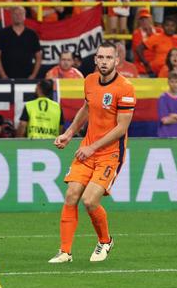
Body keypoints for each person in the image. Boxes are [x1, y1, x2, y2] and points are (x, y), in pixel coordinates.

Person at [49, 41, 136, 263]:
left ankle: (105, 241)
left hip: (110, 154)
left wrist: (92, 147)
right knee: (71, 195)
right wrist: (69, 134)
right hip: (87, 150)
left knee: (89, 201)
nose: (104, 61)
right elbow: (87, 108)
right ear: (95, 59)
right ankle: (65, 252)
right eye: (100, 57)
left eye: (109, 58)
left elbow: (121, 128)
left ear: (116, 61)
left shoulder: (126, 88)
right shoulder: (88, 81)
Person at [0, 6, 42, 79]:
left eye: (21, 14)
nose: (18, 16)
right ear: (11, 16)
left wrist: (33, 75)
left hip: (27, 76)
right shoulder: (3, 33)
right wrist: (3, 75)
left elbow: (39, 57)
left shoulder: (32, 34)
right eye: (15, 14)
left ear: (25, 16)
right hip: (7, 75)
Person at [157, 71, 177, 138]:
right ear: (168, 82)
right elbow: (165, 121)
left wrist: (175, 116)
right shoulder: (163, 98)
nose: (174, 84)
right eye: (172, 82)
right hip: (166, 136)